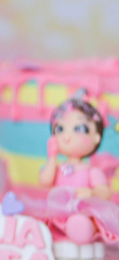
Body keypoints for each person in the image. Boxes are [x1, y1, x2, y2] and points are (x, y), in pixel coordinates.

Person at [22, 96, 119, 255]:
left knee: (82, 223)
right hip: (57, 213)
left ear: (96, 137)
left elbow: (104, 193)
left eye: (80, 129)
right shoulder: (57, 167)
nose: (66, 137)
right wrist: (52, 156)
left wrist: (92, 193)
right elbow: (45, 181)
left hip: (83, 211)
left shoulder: (92, 171)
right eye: (60, 129)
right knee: (40, 224)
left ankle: (80, 232)